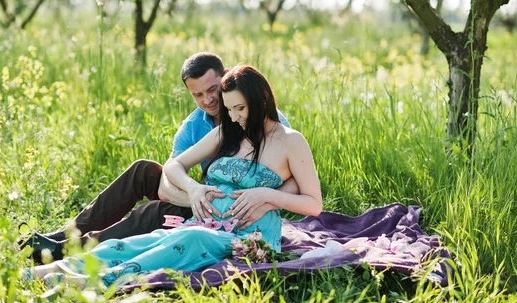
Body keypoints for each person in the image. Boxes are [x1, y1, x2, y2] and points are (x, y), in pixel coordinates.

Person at [25, 65, 322, 288]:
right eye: (229, 109)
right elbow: (174, 165)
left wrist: (267, 195)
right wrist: (193, 189)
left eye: (240, 108)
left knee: (190, 238)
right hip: (203, 220)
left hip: (250, 236)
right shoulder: (227, 131)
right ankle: (59, 267)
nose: (233, 117)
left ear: (261, 100)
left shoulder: (290, 140)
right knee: (149, 239)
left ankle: (98, 279)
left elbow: (313, 204)